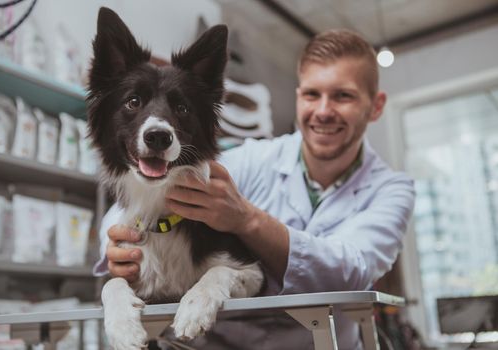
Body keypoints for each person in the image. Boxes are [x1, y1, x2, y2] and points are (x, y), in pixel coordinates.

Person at [93, 29, 415, 350]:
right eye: (312, 94)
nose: (323, 110)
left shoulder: (392, 190)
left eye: (343, 96)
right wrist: (119, 246)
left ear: (375, 106)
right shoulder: (253, 158)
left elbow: (351, 271)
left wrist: (247, 220)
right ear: (298, 95)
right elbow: (128, 208)